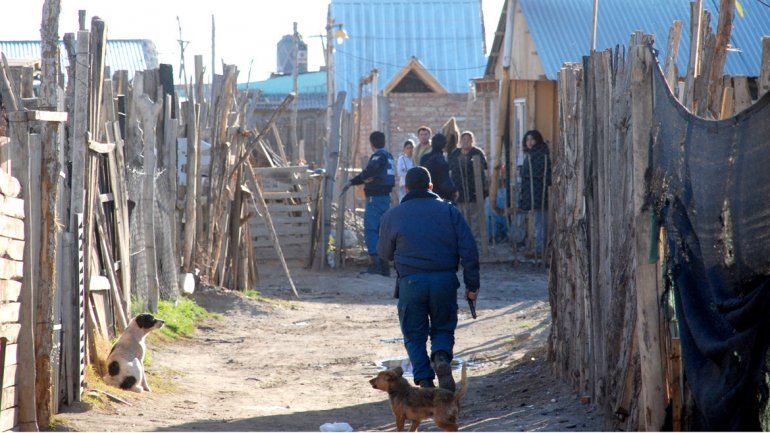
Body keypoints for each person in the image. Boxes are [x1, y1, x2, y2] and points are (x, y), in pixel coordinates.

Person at [378, 166, 479, 391]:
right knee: (443, 328)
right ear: (431, 187)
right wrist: (472, 285)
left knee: (414, 335)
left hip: (411, 283)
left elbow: (384, 253)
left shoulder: (392, 215)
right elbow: (469, 250)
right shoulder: (450, 211)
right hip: (445, 281)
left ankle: (425, 381)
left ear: (406, 188)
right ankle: (441, 357)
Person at [343, 131, 395, 276]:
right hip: (386, 197)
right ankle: (384, 266)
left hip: (375, 198)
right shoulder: (389, 156)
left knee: (371, 230)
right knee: (382, 231)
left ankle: (376, 265)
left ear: (371, 144)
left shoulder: (378, 156)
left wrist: (352, 182)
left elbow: (369, 172)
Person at [448, 131, 488, 236]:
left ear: (472, 141)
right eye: (463, 139)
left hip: (474, 190)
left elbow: (484, 169)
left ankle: (475, 239)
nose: (465, 142)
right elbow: (451, 170)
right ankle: (463, 239)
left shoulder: (477, 153)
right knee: (461, 217)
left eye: (468, 139)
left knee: (475, 217)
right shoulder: (455, 153)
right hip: (459, 190)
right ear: (460, 141)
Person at [518, 130, 551, 254]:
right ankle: (538, 247)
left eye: (532, 139)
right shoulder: (530, 154)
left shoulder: (539, 154)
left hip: (539, 192)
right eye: (527, 139)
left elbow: (535, 172)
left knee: (540, 222)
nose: (529, 142)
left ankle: (540, 249)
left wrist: (522, 170)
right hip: (532, 192)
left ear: (537, 140)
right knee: (537, 221)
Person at [419, 133, 457, 202]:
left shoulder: (424, 158)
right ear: (444, 145)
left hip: (426, 193)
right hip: (441, 196)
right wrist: (453, 190)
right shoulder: (442, 160)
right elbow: (445, 180)